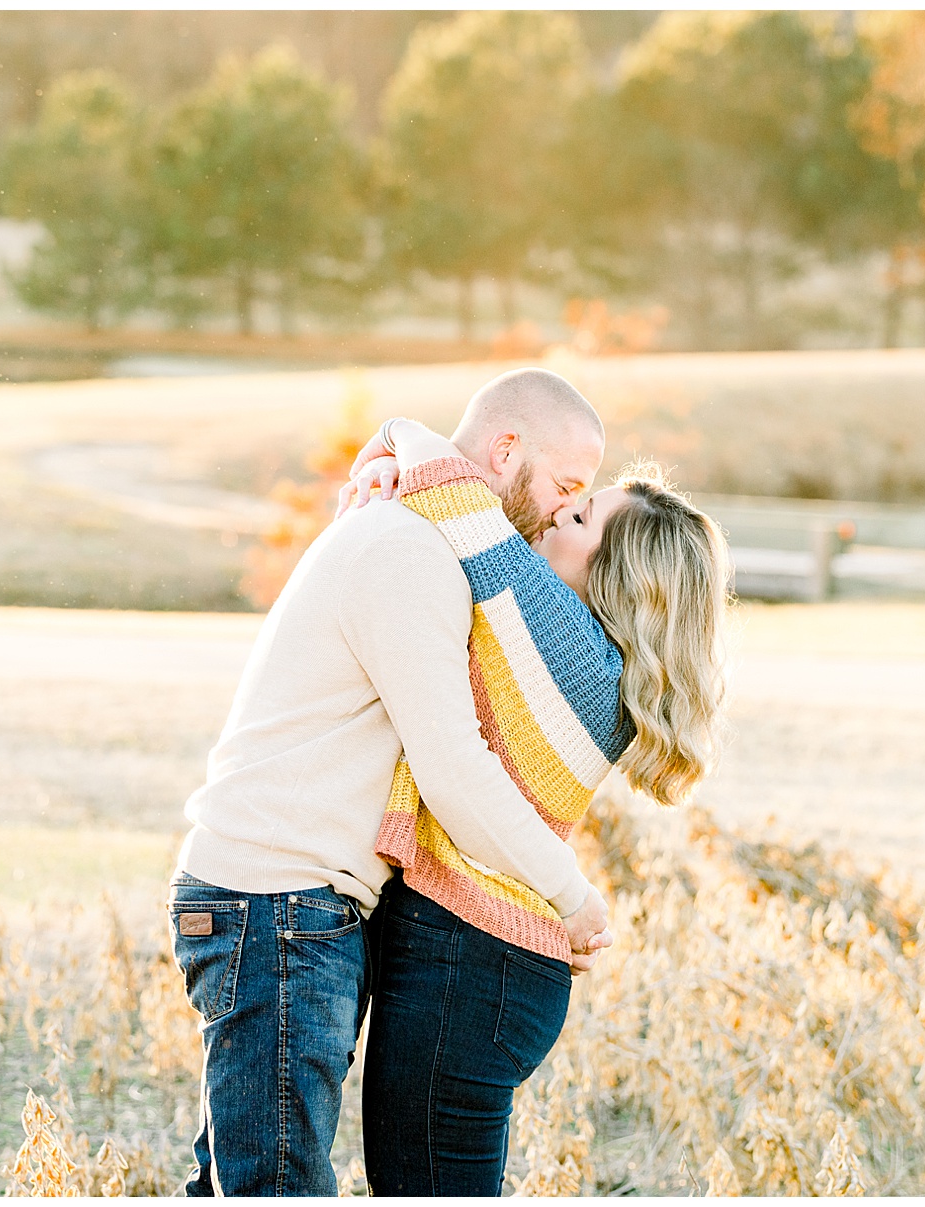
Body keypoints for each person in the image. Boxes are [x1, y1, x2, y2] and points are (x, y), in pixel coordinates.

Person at [166, 368, 617, 1196]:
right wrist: (569, 897)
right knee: (273, 1188)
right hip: (276, 904)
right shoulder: (411, 554)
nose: (563, 508)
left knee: (239, 1180)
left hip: (291, 904)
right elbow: (454, 771)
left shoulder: (420, 534)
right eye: (567, 485)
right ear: (506, 448)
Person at [340, 417, 732, 1196]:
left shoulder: (569, 645)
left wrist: (393, 439)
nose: (559, 513)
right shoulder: (595, 664)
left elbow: (455, 494)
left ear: (624, 579)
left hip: (470, 964)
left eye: (583, 517)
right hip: (489, 967)